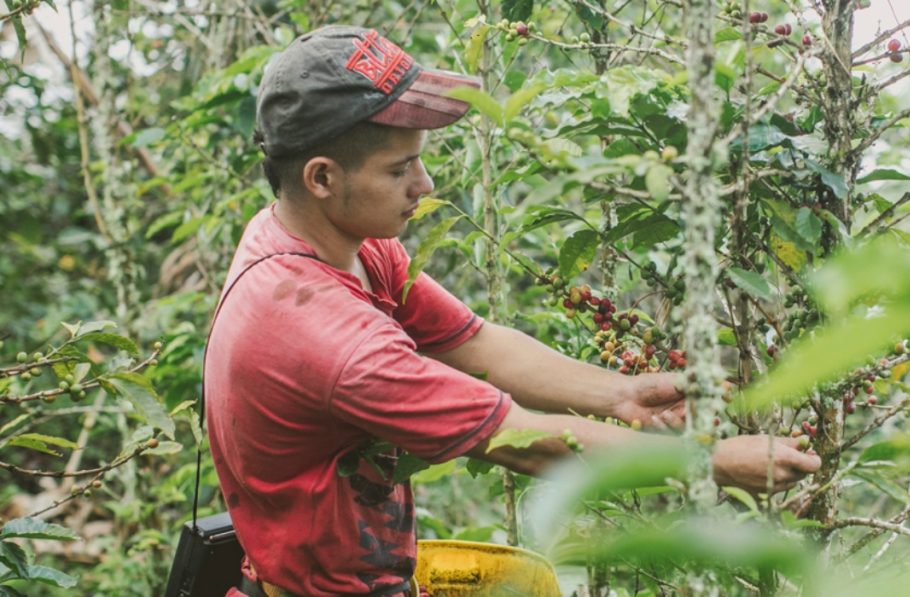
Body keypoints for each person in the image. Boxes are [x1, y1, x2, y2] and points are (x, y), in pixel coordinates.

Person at [205, 25, 821, 597]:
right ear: (321, 178)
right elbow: (522, 441)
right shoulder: (325, 334)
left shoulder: (343, 247)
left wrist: (622, 394)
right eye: (399, 169)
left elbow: (478, 345)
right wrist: (713, 465)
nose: (425, 186)